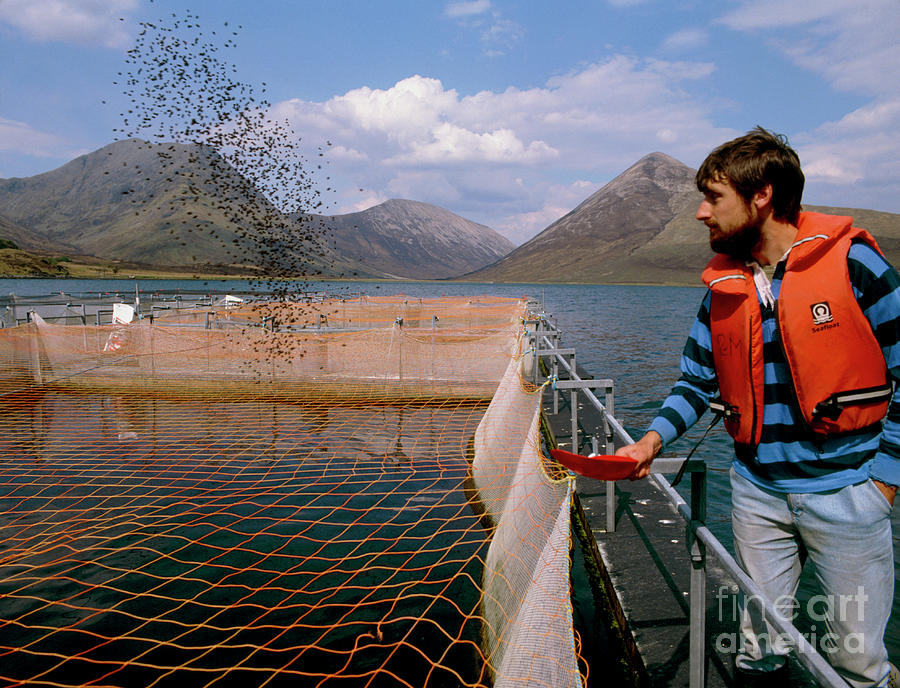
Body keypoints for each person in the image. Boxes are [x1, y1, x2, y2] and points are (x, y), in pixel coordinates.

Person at [617, 126, 899, 687]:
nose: (701, 213)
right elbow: (695, 384)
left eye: (713, 197)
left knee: (855, 661)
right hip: (755, 494)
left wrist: (883, 484)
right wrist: (650, 442)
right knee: (758, 648)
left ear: (762, 195)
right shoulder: (723, 288)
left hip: (849, 497)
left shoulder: (856, 266)